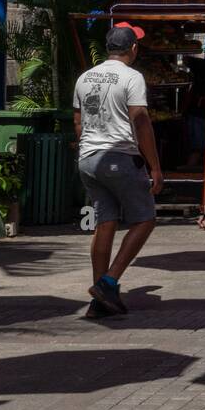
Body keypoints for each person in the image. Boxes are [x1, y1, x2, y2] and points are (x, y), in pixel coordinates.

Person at [73, 23, 161, 318]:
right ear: (133, 49)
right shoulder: (132, 78)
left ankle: (100, 297)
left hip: (88, 158)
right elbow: (141, 121)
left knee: (105, 223)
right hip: (118, 157)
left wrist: (87, 147)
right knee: (145, 219)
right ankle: (109, 281)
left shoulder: (84, 78)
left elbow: (78, 121)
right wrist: (155, 166)